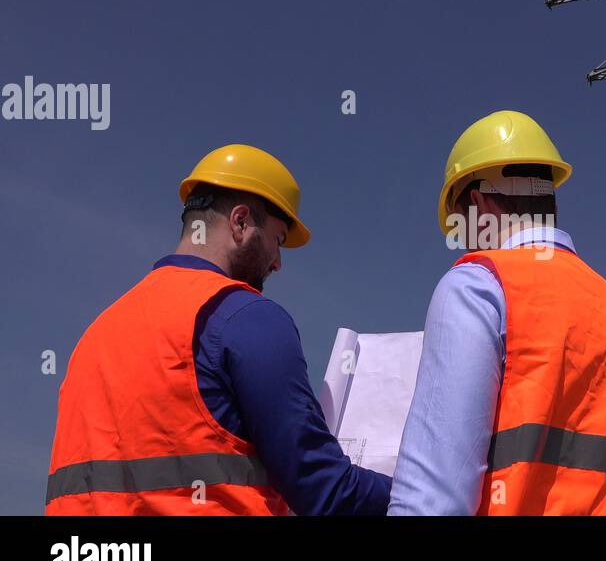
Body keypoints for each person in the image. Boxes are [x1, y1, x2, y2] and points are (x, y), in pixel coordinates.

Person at [45, 143, 390, 515]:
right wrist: (428, 490)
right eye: (277, 240)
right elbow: (326, 490)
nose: (277, 262)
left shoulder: (95, 336)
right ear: (240, 222)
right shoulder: (245, 317)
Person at [389, 110, 606, 515]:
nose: (462, 242)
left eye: (458, 225)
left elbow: (433, 501)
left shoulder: (479, 288)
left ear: (477, 204)